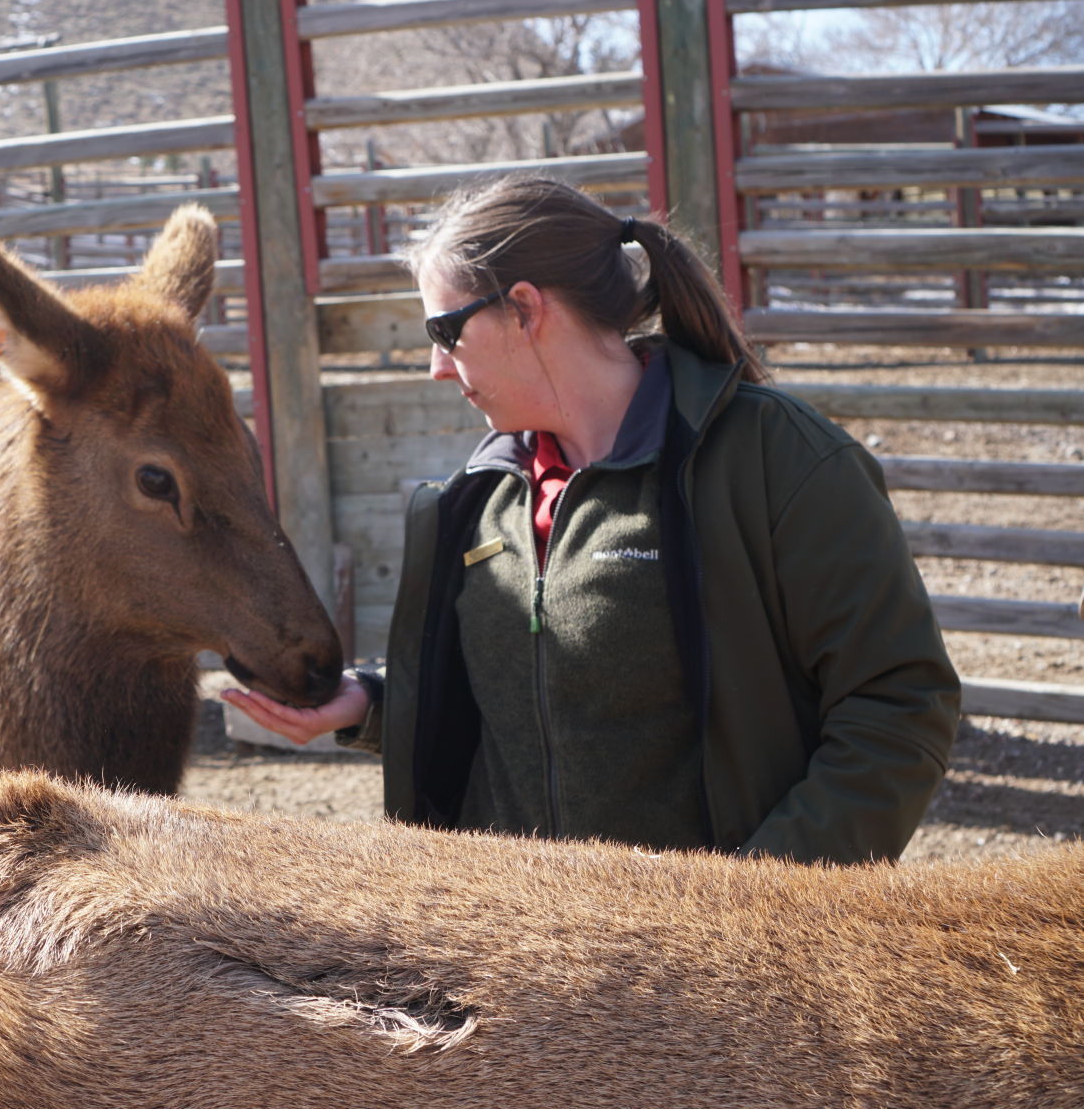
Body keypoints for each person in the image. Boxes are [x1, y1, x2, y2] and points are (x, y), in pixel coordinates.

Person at [224, 175, 959, 865]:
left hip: (711, 971)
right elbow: (527, 715)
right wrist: (371, 704)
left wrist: (756, 903)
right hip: (522, 957)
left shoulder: (778, 459)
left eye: (445, 332)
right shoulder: (482, 494)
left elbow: (897, 706)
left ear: (525, 308)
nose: (436, 367)